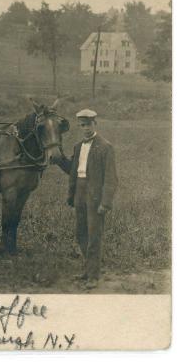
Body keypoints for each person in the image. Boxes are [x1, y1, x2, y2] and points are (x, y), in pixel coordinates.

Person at [59, 109, 118, 289]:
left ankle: (93, 275)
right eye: (82, 125)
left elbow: (111, 179)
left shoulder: (106, 147)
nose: (85, 128)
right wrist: (59, 159)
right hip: (80, 193)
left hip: (95, 197)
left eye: (88, 125)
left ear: (95, 124)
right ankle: (87, 270)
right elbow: (73, 172)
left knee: (94, 235)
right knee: (81, 233)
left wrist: (105, 203)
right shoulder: (78, 147)